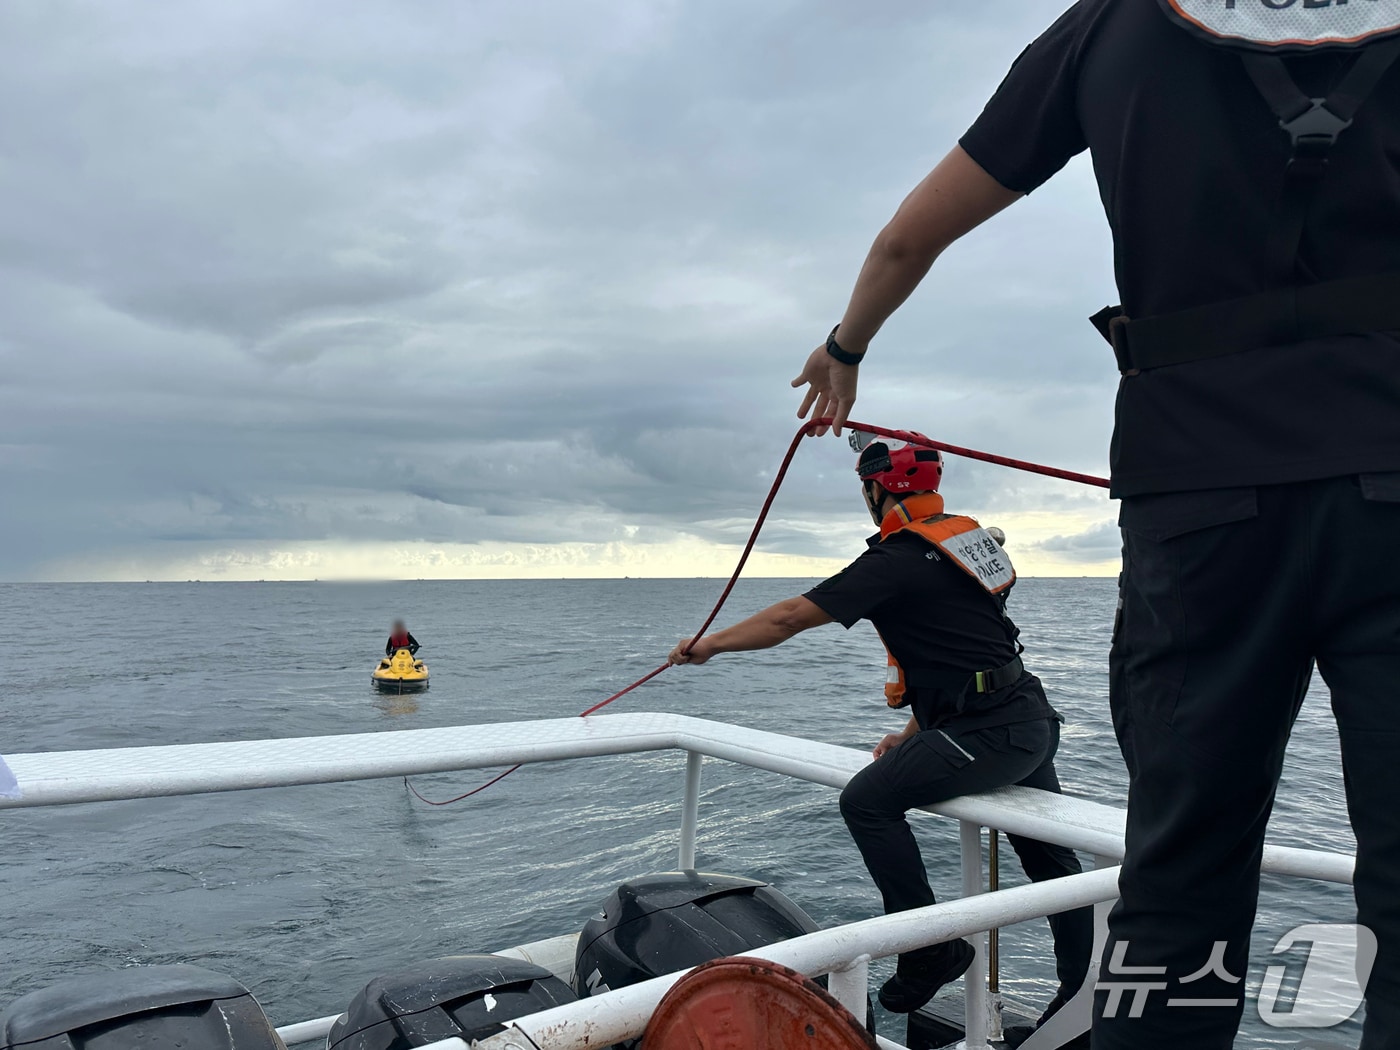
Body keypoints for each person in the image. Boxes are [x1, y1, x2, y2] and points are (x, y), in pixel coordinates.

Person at [788, 5, 1400, 1047]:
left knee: (1179, 876)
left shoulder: (1112, 28)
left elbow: (907, 236)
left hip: (1200, 498)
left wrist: (844, 347)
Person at [668, 438, 1092, 1025]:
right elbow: (967, 645)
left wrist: (709, 645)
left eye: (864, 489)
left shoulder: (894, 561)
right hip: (1029, 720)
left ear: (877, 490)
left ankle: (930, 949)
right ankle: (1083, 988)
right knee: (1049, 860)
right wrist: (917, 728)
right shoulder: (965, 541)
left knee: (866, 801)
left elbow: (790, 617)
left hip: (989, 732)